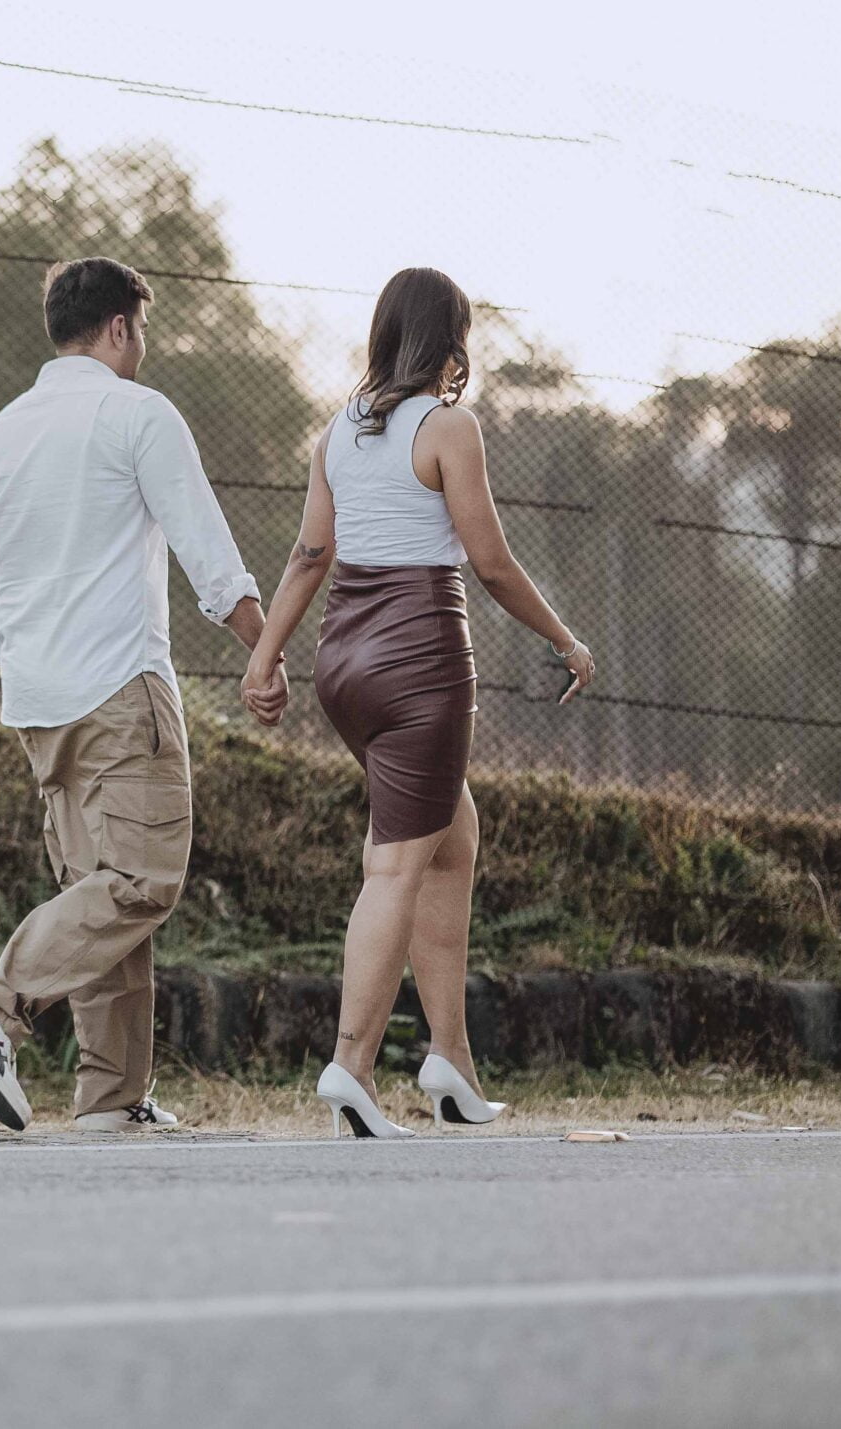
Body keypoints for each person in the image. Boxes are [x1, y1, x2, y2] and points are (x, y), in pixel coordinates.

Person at [239, 267, 595, 1137]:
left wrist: (265, 656)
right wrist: (566, 639)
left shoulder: (338, 430)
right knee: (396, 863)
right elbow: (492, 563)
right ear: (451, 340)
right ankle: (351, 1065)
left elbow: (308, 557)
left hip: (343, 662)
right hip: (420, 658)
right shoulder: (447, 427)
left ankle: (451, 1062)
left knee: (450, 838)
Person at [0, 257, 268, 1133]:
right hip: (120, 685)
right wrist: (264, 648)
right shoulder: (137, 413)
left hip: (37, 699)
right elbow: (207, 549)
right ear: (119, 327)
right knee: (142, 879)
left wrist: (23, 653)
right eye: (140, 330)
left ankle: (112, 1098)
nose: (141, 346)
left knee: (101, 891)